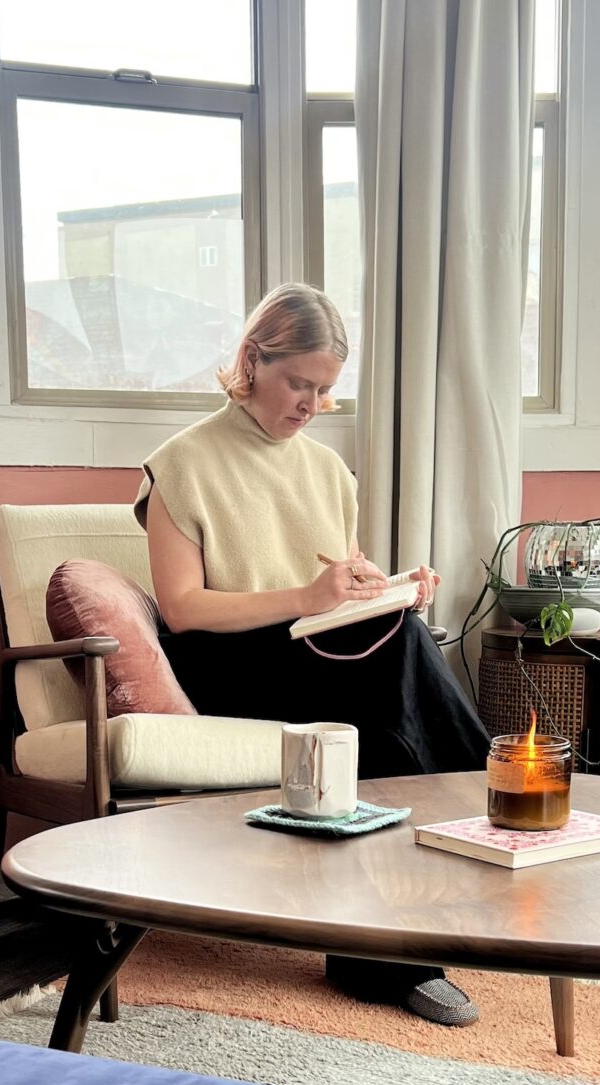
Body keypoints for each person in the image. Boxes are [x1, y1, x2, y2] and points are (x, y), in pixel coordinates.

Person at [133, 283, 490, 1027]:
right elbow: (181, 608)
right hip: (226, 660)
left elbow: (341, 586)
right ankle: (498, 796)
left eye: (326, 391)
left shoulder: (327, 471)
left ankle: (385, 947)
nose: (311, 404)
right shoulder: (181, 462)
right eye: (300, 383)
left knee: (399, 644)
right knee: (393, 664)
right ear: (255, 360)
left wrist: (386, 587)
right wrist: (310, 596)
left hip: (318, 653)